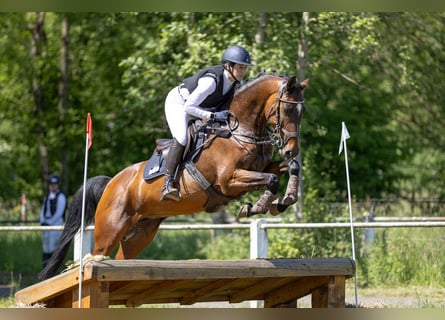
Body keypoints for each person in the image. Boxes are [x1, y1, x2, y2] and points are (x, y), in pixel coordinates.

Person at [161, 45, 254, 202]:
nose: (243, 71)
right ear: (229, 66)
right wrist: (213, 115)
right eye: (240, 67)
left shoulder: (236, 83)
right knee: (182, 138)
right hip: (179, 103)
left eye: (245, 68)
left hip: (202, 107)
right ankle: (168, 182)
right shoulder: (211, 81)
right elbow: (189, 107)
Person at [39, 174, 67, 269]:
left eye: (54, 184)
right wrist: (43, 221)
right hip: (46, 225)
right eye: (51, 184)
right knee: (45, 247)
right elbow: (43, 210)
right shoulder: (47, 196)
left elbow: (59, 212)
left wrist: (50, 222)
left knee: (53, 248)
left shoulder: (61, 196)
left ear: (57, 185)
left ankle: (53, 270)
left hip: (55, 225)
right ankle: (45, 269)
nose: (52, 186)